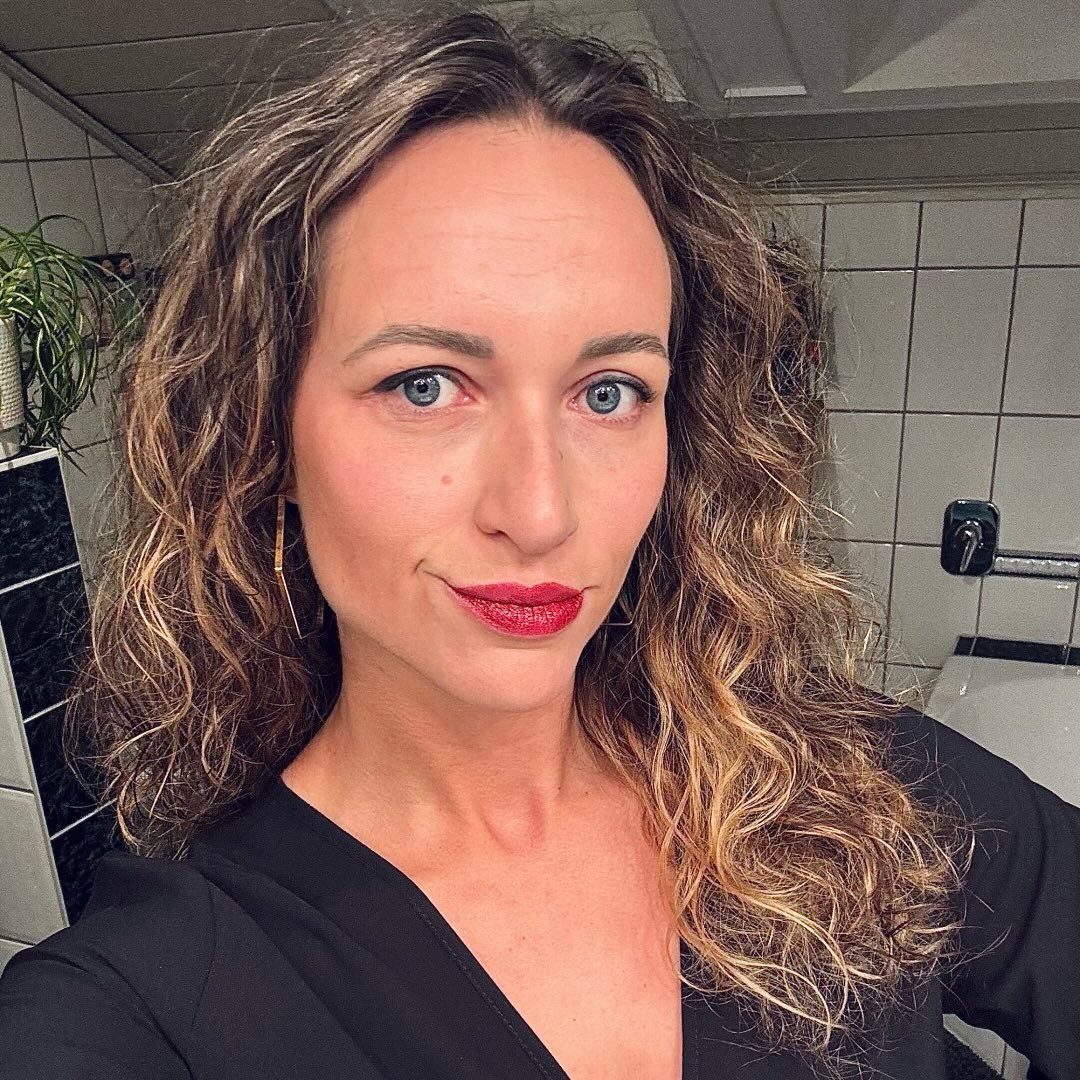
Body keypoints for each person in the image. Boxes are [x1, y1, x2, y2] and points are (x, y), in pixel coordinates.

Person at [1, 6, 1078, 1079]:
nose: (542, 510)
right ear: (264, 434)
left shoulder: (850, 782)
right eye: (426, 386)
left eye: (608, 392)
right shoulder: (142, 1008)